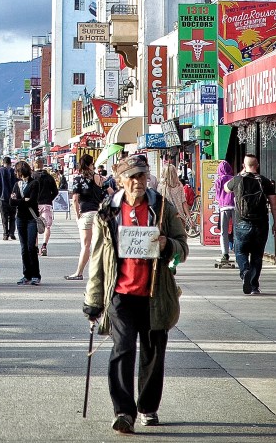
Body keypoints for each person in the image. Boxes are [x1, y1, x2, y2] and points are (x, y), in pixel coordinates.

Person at [83, 152, 189, 435]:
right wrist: (93, 301)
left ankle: (147, 406)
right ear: (119, 181)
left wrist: (168, 246)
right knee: (122, 349)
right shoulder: (108, 212)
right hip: (121, 293)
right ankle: (123, 412)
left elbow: (183, 248)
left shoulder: (162, 207)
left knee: (153, 353)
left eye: (141, 176)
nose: (137, 182)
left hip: (156, 293)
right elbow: (97, 259)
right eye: (131, 177)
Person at [224, 154, 276, 295]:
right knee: (257, 256)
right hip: (261, 224)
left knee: (240, 252)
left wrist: (241, 173)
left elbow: (226, 189)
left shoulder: (237, 180)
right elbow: (273, 204)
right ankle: (254, 287)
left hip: (242, 223)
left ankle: (245, 271)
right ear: (257, 165)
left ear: (243, 165)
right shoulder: (265, 182)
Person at [65, 154, 105, 281]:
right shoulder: (98, 177)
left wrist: (77, 214)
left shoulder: (78, 179)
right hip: (98, 213)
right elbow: (103, 194)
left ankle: (79, 272)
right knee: (99, 244)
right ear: (90, 164)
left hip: (86, 214)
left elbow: (75, 199)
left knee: (86, 245)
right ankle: (100, 272)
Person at [11, 161, 42, 285]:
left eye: (17, 171)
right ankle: (26, 274)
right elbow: (11, 202)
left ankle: (36, 274)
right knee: (24, 248)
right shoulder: (17, 184)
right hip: (20, 218)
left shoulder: (34, 183)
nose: (16, 173)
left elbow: (32, 201)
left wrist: (18, 200)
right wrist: (23, 200)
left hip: (32, 218)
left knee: (31, 247)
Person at [33, 158, 59, 256]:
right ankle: (44, 246)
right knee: (47, 226)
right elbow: (55, 191)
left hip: (34, 204)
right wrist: (49, 199)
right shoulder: (49, 177)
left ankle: (35, 247)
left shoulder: (32, 176)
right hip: (46, 203)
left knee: (34, 225)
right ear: (43, 165)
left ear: (34, 165)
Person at [212, 160, 235, 263]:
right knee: (237, 230)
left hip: (224, 207)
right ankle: (238, 251)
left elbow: (217, 196)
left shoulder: (218, 181)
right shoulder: (234, 179)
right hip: (235, 207)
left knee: (223, 232)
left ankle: (225, 254)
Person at [0, 156, 17, 241]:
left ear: (3, 163)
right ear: (10, 163)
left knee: (4, 218)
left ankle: (5, 234)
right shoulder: (14, 171)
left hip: (2, 198)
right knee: (13, 217)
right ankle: (12, 233)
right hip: (13, 198)